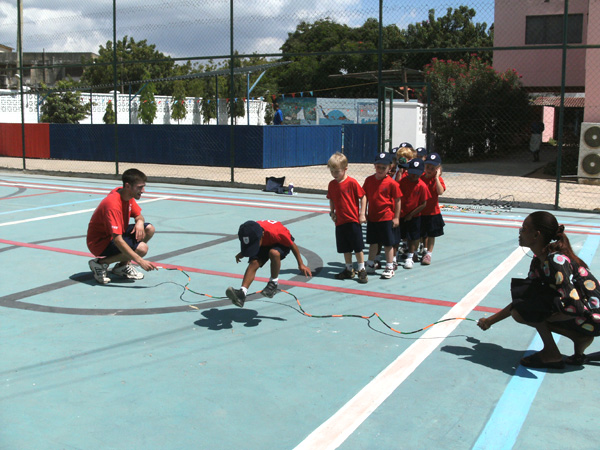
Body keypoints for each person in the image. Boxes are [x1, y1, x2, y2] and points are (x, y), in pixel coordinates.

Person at [478, 211, 600, 369]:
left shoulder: (557, 261)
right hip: (585, 316)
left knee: (531, 312)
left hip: (593, 318)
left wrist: (542, 317)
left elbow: (574, 306)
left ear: (536, 235)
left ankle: (552, 354)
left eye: (524, 228)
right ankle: (579, 337)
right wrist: (489, 321)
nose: (520, 232)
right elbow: (523, 299)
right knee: (529, 307)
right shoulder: (539, 261)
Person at [86, 168, 158, 284]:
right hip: (100, 243)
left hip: (115, 235)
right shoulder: (113, 204)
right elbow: (118, 240)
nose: (143, 190)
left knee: (149, 229)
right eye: (140, 187)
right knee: (142, 248)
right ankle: (100, 264)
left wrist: (139, 222)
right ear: (128, 186)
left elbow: (139, 216)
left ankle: (122, 266)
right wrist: (140, 261)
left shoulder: (126, 195)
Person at [226, 220, 312, 307]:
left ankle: (273, 283)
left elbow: (292, 245)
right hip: (264, 243)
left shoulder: (277, 233)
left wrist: (301, 264)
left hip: (279, 243)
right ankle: (242, 293)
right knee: (254, 263)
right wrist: (243, 253)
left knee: (273, 253)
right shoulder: (249, 230)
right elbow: (249, 243)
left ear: (262, 234)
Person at [326, 152, 368, 283]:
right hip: (340, 221)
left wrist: (362, 214)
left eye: (337, 171)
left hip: (353, 220)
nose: (334, 174)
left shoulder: (352, 183)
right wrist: (332, 212)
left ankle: (361, 269)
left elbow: (363, 197)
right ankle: (349, 269)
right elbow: (331, 198)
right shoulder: (332, 184)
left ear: (345, 169)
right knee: (345, 247)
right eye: (332, 171)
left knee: (357, 246)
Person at [362, 152, 402, 279]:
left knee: (388, 243)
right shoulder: (369, 180)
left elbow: (398, 200)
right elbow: (364, 196)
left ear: (389, 168)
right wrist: (363, 213)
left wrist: (396, 217)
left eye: (383, 168)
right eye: (378, 167)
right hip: (373, 218)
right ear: (374, 166)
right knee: (373, 242)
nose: (380, 170)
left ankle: (389, 266)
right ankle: (370, 263)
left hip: (386, 218)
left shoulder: (392, 183)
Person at [397, 159, 431, 269]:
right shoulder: (402, 182)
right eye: (411, 172)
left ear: (421, 173)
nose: (413, 176)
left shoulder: (422, 186)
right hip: (401, 215)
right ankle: (394, 257)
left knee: (412, 237)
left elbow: (423, 204)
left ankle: (410, 257)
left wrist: (411, 214)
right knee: (398, 236)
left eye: (416, 174)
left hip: (414, 216)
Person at [419, 153, 446, 265]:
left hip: (433, 212)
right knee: (420, 234)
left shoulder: (438, 180)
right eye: (427, 167)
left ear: (437, 169)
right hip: (420, 211)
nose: (429, 170)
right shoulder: (420, 178)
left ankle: (429, 254)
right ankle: (420, 250)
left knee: (431, 235)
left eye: (433, 168)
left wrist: (436, 178)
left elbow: (440, 191)